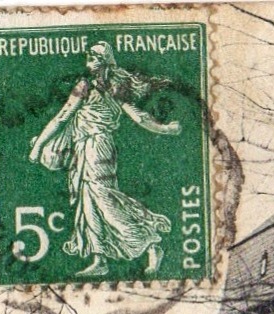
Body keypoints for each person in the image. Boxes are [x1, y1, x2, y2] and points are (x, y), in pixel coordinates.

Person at [29, 42, 182, 278]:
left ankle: (151, 243)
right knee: (88, 202)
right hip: (83, 147)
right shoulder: (87, 85)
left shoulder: (111, 86)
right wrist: (39, 145)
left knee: (104, 200)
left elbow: (137, 116)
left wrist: (166, 129)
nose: (87, 57)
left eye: (93, 54)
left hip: (98, 145)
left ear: (104, 60)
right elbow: (62, 117)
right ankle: (99, 259)